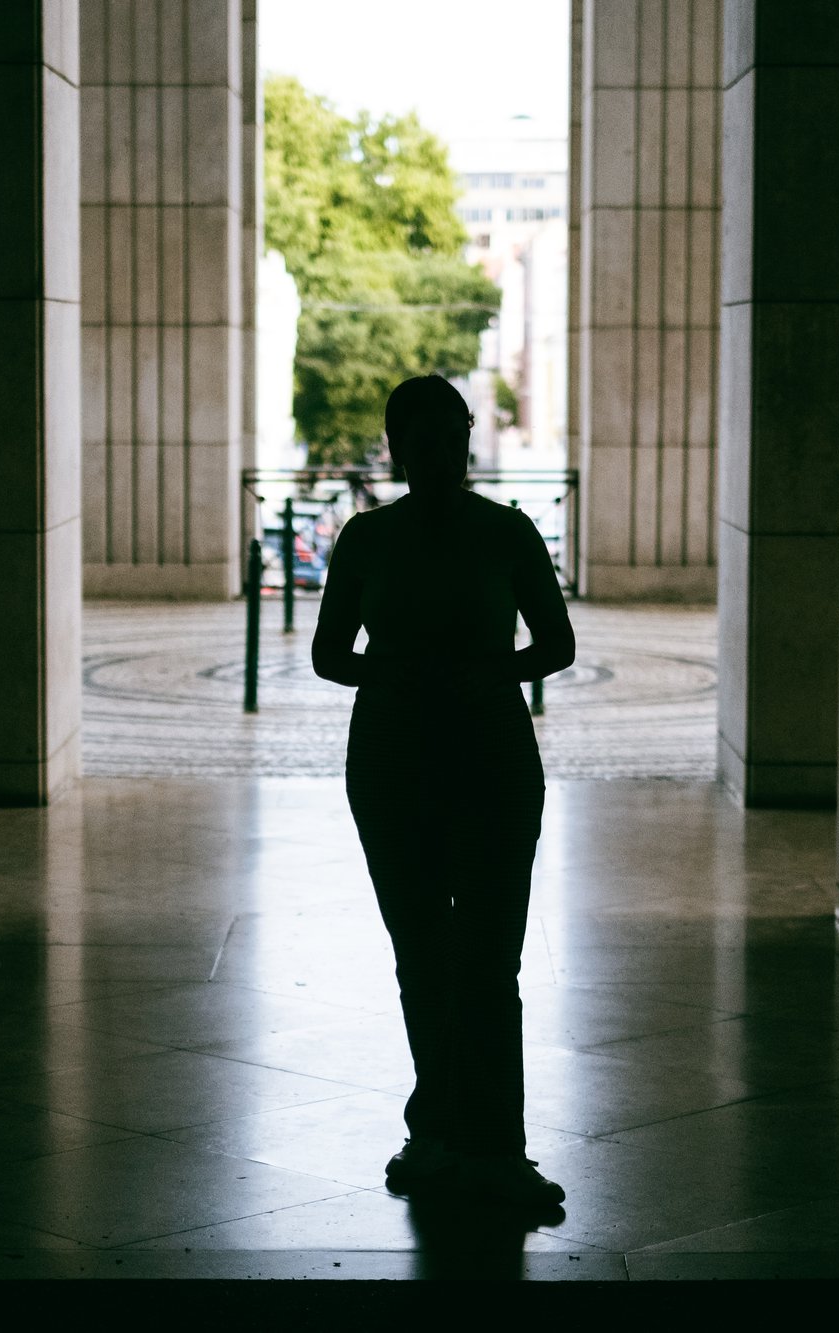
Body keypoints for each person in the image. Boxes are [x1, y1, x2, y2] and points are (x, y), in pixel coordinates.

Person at [311, 374, 574, 1212]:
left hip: (445, 755)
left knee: (480, 959)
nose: (436, 456)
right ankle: (461, 1134)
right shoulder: (474, 534)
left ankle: (473, 1138)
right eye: (422, 442)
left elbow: (559, 643)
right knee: (433, 954)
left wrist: (405, 674)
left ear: (462, 441)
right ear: (397, 447)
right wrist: (480, 673)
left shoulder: (409, 537)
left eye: (447, 439)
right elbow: (549, 647)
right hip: (429, 756)